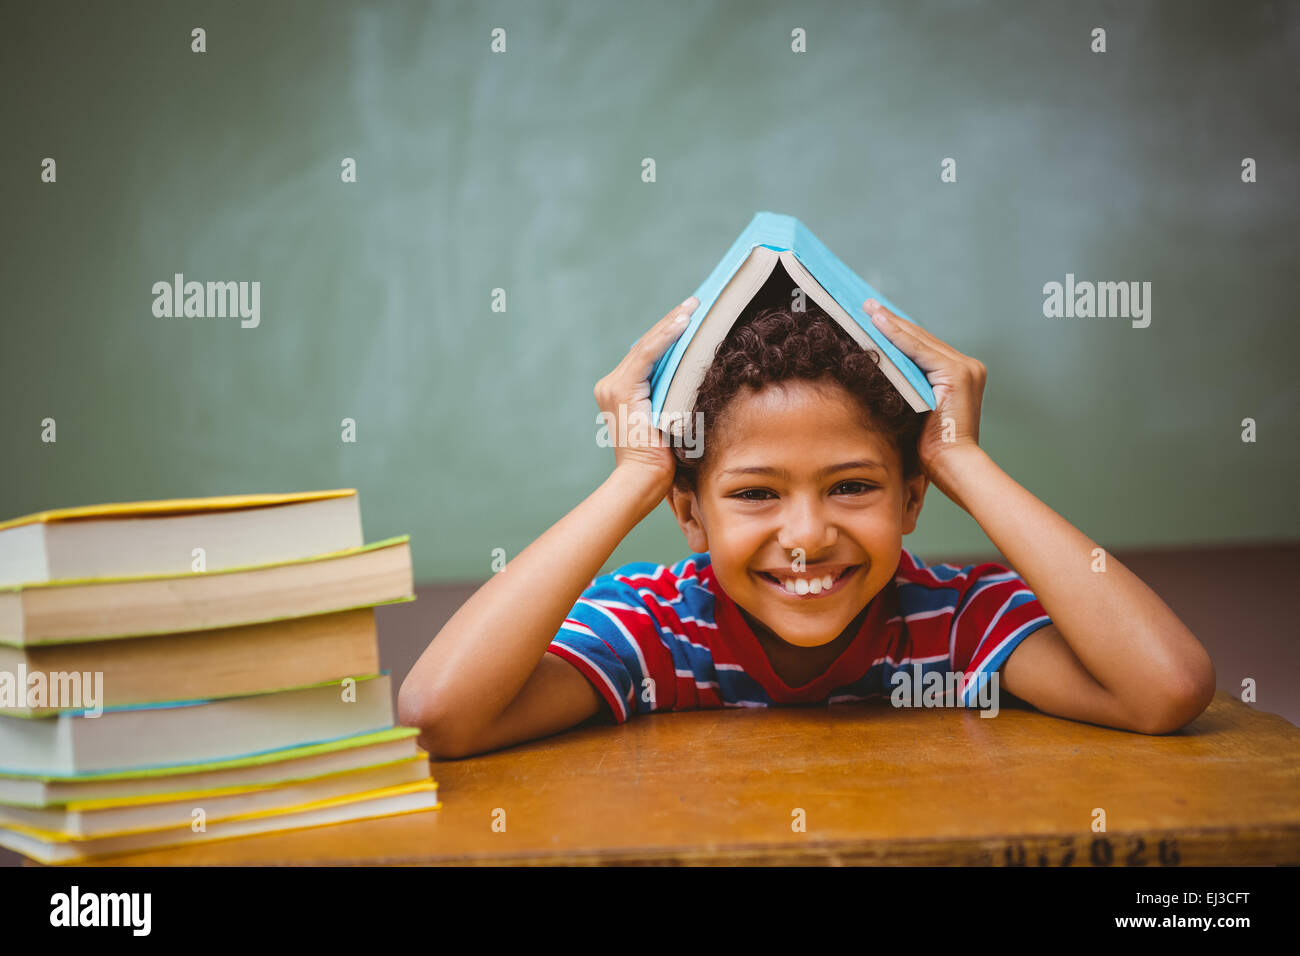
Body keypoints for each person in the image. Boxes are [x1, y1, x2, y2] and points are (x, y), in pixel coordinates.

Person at [398, 294, 1215, 757]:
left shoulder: (956, 621)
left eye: (854, 486)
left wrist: (963, 459)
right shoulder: (653, 629)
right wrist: (638, 475)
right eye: (755, 494)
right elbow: (438, 715)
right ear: (690, 513)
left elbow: (1166, 690)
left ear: (913, 500)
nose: (808, 535)